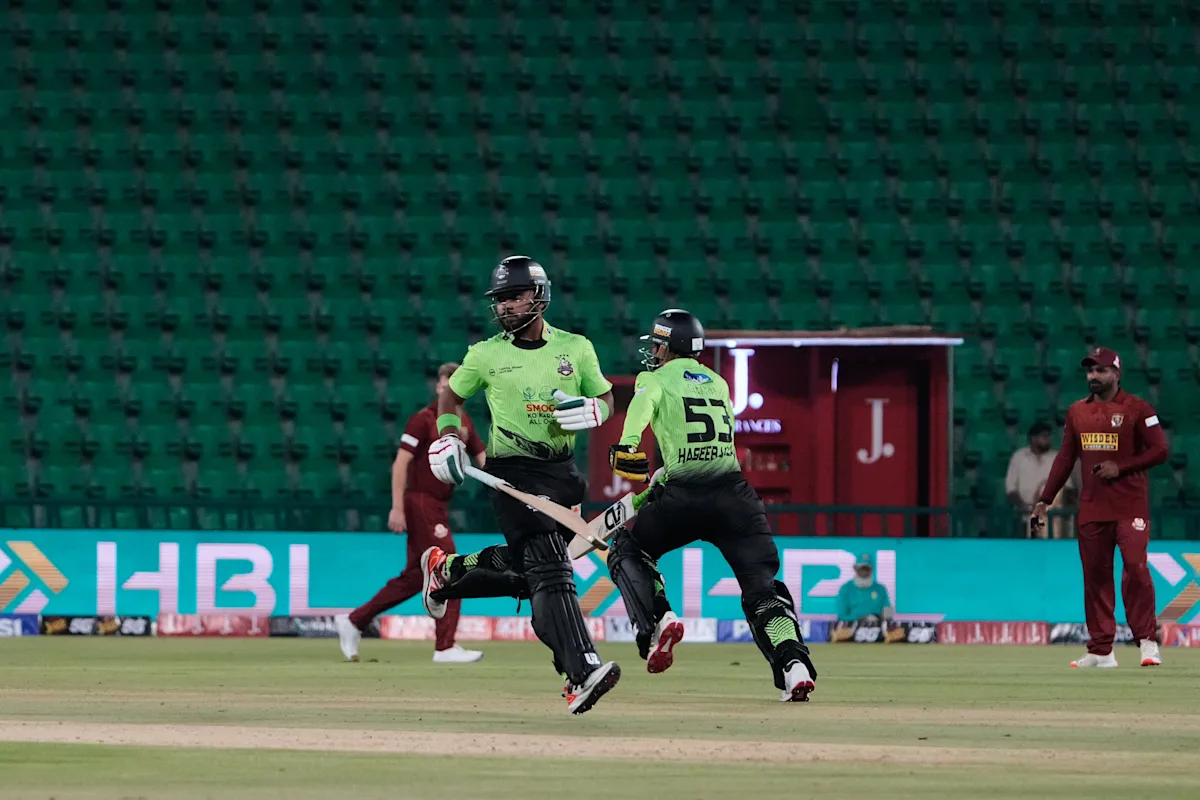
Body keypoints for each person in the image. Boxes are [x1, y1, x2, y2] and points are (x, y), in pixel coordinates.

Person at [422, 255, 622, 715]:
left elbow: (606, 395)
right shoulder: (485, 354)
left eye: (515, 296)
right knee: (552, 570)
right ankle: (582, 671)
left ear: (539, 295)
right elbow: (451, 396)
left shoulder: (576, 348)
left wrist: (600, 410)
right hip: (511, 472)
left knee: (530, 572)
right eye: (501, 299)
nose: (506, 306)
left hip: (562, 473)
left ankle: (445, 572)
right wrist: (449, 436)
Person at [604, 309, 818, 702]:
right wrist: (667, 469)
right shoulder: (718, 383)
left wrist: (628, 446)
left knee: (628, 550)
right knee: (763, 591)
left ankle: (658, 621)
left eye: (658, 344)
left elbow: (640, 411)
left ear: (670, 347)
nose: (654, 350)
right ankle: (794, 665)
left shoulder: (653, 379)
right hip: (736, 497)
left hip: (684, 497)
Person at [334, 363, 486, 664]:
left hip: (439, 505)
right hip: (421, 502)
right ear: (437, 387)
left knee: (416, 577)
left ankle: (354, 621)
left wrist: (506, 485)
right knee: (450, 567)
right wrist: (397, 507)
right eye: (442, 385)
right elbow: (401, 463)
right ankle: (445, 647)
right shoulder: (423, 419)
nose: (446, 390)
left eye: (452, 385)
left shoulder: (464, 422)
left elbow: (482, 457)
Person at [1033, 347, 1169, 669]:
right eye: (1090, 370)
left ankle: (1147, 642)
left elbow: (1160, 450)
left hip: (1130, 506)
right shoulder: (1077, 412)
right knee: (1095, 577)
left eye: (1101, 370)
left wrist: (1120, 467)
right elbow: (1066, 457)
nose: (1093, 376)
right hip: (1093, 508)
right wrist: (1045, 500)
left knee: (1135, 567)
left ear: (1116, 374)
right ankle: (1101, 650)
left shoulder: (1138, 409)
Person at [1006, 421, 1079, 538]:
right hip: (1025, 516)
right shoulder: (1019, 457)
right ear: (1033, 438)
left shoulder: (1057, 457)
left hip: (1051, 520)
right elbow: (1011, 489)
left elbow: (1069, 488)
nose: (1048, 440)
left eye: (1049, 437)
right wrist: (1023, 506)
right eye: (1044, 437)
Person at [833, 553, 894, 633]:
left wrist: (885, 619)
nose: (864, 571)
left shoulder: (880, 588)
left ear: (872, 569)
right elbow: (841, 615)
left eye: (867, 568)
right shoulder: (845, 589)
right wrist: (862, 619)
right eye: (861, 568)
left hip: (877, 630)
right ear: (855, 568)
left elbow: (888, 610)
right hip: (851, 631)